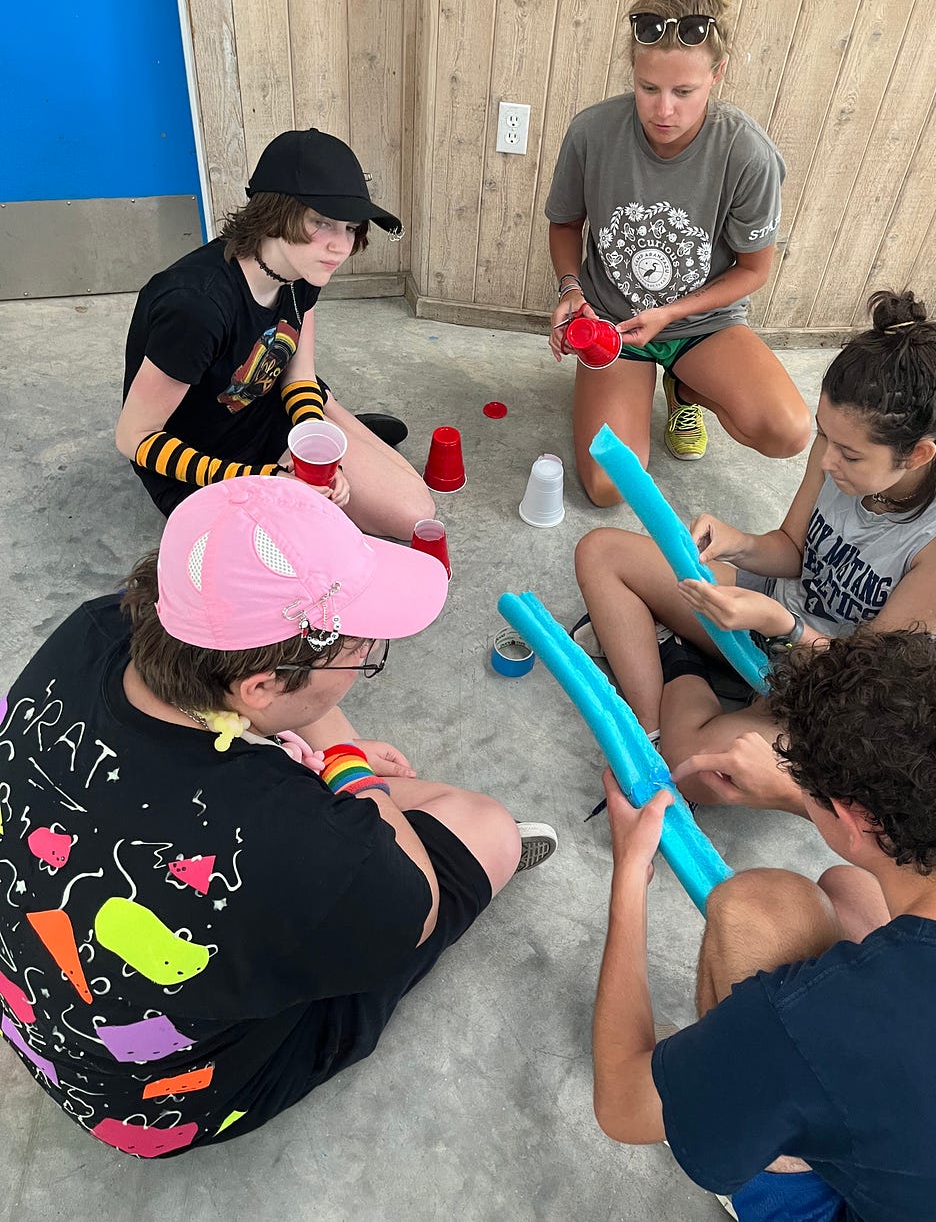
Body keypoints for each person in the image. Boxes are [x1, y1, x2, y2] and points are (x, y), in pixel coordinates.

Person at [0, 475, 556, 1157]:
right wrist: (344, 762)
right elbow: (418, 903)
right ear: (259, 684)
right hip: (158, 1104)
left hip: (36, 1009)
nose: (366, 656)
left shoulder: (99, 626)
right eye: (362, 648)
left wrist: (308, 746)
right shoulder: (294, 842)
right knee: (484, 828)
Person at [592, 629, 936, 1221]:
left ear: (850, 817)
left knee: (757, 906)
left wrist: (628, 879)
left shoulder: (824, 1019)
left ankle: (753, 1154)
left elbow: (621, 1101)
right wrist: (809, 798)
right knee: (850, 888)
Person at [574, 289, 936, 810]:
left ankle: (676, 661)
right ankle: (647, 724)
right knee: (602, 552)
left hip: (837, 681)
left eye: (848, 454)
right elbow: (793, 550)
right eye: (825, 437)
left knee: (695, 771)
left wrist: (786, 626)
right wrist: (737, 544)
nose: (827, 462)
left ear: (918, 454)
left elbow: (872, 674)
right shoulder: (840, 440)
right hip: (770, 614)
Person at [544, 0, 810, 506]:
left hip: (701, 323)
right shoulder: (592, 132)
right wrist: (571, 289)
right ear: (632, 74)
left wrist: (670, 315)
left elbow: (752, 270)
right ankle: (633, 383)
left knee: (788, 432)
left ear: (717, 76)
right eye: (649, 88)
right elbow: (565, 225)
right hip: (614, 327)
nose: (664, 110)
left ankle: (685, 386)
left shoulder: (746, 152)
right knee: (609, 489)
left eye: (684, 91)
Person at [117, 127, 432, 540]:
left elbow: (298, 374)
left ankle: (333, 427)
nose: (340, 246)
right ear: (275, 212)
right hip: (200, 456)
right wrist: (266, 479)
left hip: (266, 410)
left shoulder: (303, 267)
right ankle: (343, 431)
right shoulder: (196, 307)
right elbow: (133, 437)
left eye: (351, 228)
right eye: (322, 222)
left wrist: (313, 448)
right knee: (283, 559)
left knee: (418, 512)